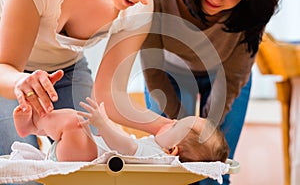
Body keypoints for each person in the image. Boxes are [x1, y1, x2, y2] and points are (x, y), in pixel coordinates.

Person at [0, 0, 167, 160]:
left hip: (67, 69)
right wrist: (20, 81)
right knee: (18, 165)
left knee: (92, 161)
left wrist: (167, 126)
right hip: (7, 75)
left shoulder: (139, 8)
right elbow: (5, 66)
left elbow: (109, 94)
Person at [140, 0, 279, 184]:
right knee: (167, 166)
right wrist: (183, 130)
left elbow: (231, 80)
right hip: (167, 73)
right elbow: (153, 72)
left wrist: (206, 136)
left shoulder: (253, 9)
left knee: (214, 171)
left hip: (225, 77)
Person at [13, 97, 229, 164]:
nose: (171, 120)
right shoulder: (154, 150)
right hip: (83, 155)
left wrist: (104, 124)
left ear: (172, 149)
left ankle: (33, 126)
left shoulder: (155, 157)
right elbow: (125, 143)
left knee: (73, 122)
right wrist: (106, 123)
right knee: (76, 121)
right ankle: (35, 126)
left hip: (81, 160)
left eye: (177, 124)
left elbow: (125, 145)